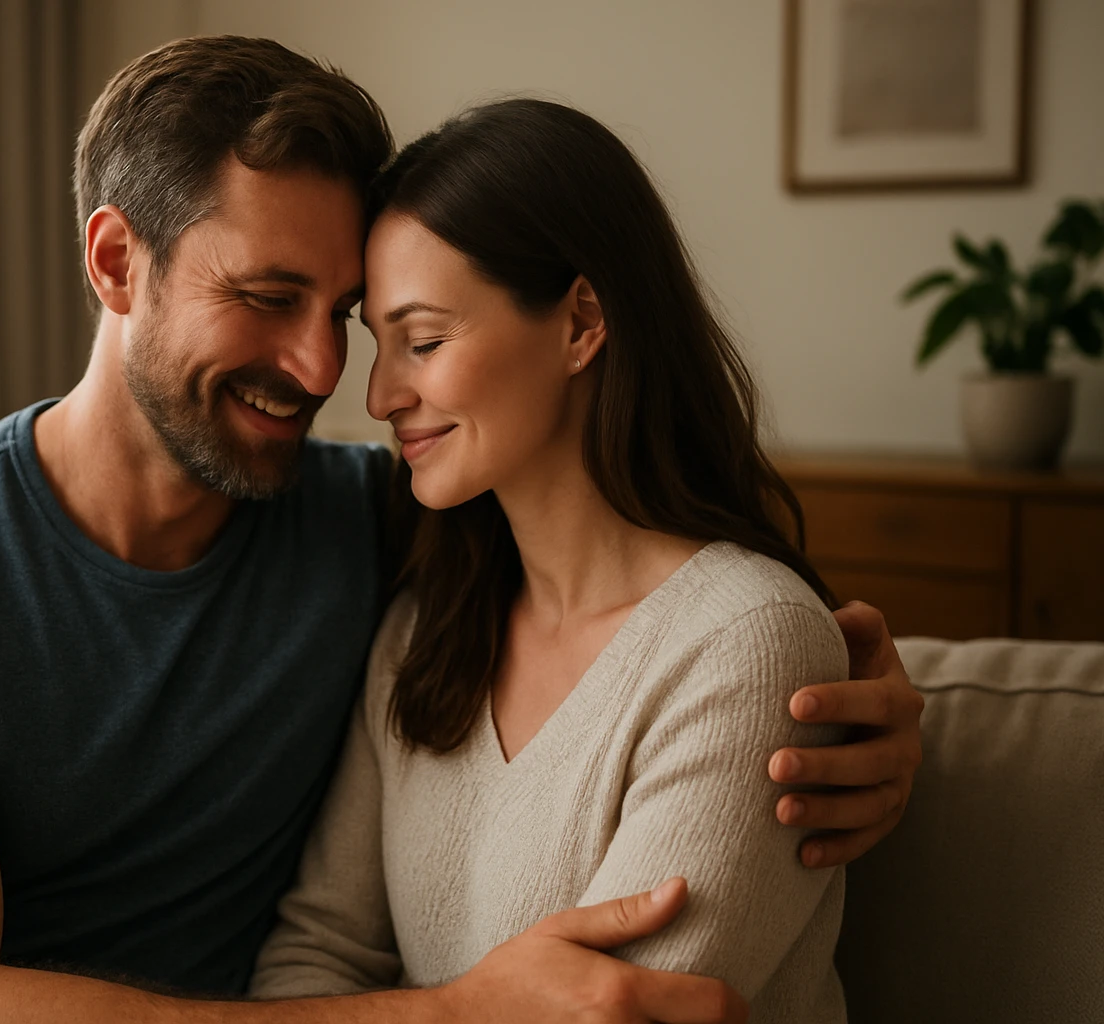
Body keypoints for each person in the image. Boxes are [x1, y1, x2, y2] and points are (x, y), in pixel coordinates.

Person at [0, 37, 923, 1024]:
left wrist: (879, 695)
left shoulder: (380, 524)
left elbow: (662, 592)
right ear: (114, 261)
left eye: (346, 313)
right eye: (264, 297)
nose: (324, 369)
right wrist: (455, 1012)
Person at [250, 98, 868, 1022]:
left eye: (423, 341)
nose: (379, 394)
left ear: (581, 321)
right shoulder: (425, 630)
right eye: (379, 345)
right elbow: (318, 951)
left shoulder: (746, 646)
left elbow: (631, 1011)